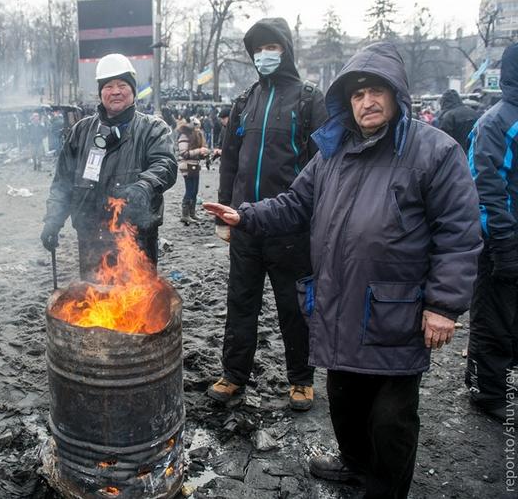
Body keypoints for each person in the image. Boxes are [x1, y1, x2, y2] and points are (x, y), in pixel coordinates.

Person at [204, 41, 481, 499]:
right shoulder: (333, 152)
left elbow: (460, 231)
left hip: (393, 310)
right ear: (346, 103)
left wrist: (444, 305)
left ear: (397, 94)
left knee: (390, 416)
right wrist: (246, 215)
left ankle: (385, 489)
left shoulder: (434, 151)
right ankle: (352, 463)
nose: (366, 102)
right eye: (356, 95)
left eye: (376, 91)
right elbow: (296, 203)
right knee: (345, 400)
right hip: (337, 302)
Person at [207, 17, 328, 411]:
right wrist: (223, 216)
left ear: (286, 50)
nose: (264, 55)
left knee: (292, 308)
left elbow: (324, 167)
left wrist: (316, 221)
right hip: (243, 223)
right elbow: (229, 162)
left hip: (290, 227)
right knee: (241, 302)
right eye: (258, 49)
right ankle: (234, 374)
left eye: (272, 47)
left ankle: (300, 379)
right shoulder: (244, 101)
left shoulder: (310, 100)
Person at [41, 53, 177, 280]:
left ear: (132, 90)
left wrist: (144, 187)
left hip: (135, 238)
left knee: (137, 305)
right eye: (109, 85)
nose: (115, 91)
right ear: (100, 92)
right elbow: (62, 182)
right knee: (97, 302)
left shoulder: (153, 129)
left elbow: (166, 164)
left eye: (122, 85)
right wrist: (53, 221)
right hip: (91, 239)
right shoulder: (81, 132)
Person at [466, 42, 518, 422]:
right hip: (504, 240)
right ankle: (488, 389)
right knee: (494, 318)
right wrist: (502, 240)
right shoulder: (497, 121)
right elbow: (486, 186)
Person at [177, 122, 208, 224]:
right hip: (187, 166)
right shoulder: (184, 136)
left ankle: (192, 213)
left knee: (194, 190)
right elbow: (184, 153)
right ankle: (185, 215)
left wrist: (203, 154)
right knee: (190, 190)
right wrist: (199, 151)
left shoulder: (193, 136)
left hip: (194, 166)